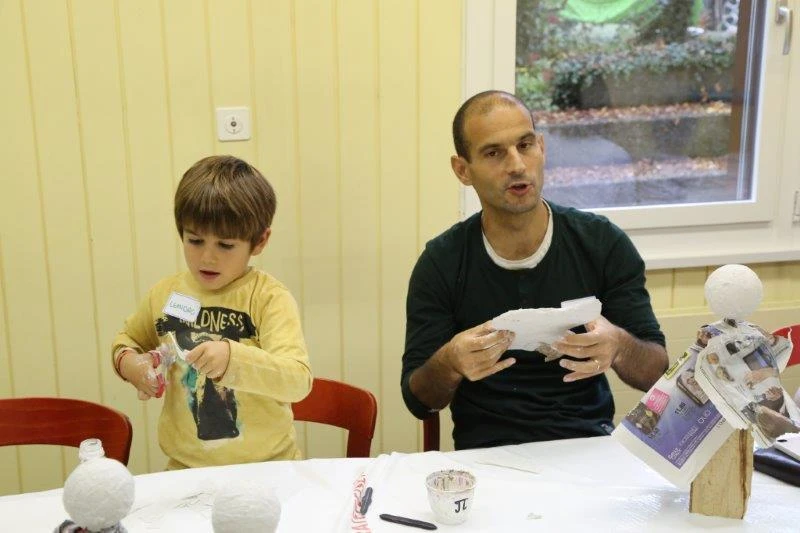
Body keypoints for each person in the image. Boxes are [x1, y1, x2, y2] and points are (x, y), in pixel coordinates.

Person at [401, 90, 668, 450]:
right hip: (486, 454)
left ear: (541, 148)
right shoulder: (442, 262)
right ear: (462, 170)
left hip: (587, 446)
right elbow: (419, 400)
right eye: (494, 153)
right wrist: (449, 362)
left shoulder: (601, 243)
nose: (516, 165)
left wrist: (618, 345)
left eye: (525, 145)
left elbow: (657, 373)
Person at [112, 155, 312, 469]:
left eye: (225, 245)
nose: (207, 257)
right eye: (195, 240)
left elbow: (297, 381)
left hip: (268, 467)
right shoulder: (165, 294)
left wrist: (234, 358)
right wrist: (130, 364)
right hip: (185, 467)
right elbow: (129, 341)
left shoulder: (269, 298)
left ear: (260, 241)